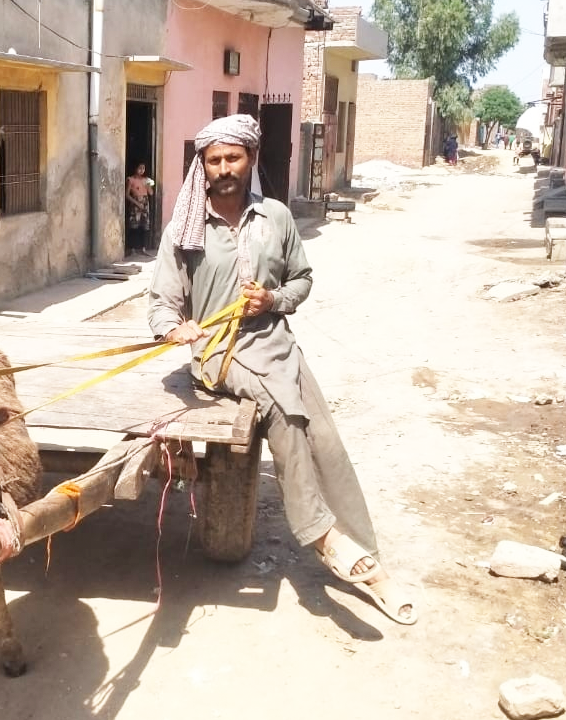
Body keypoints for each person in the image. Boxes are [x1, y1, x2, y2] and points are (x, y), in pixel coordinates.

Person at [148, 114, 416, 625]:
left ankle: (367, 552)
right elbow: (162, 300)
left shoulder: (276, 216)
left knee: (326, 438)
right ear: (202, 167)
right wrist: (174, 329)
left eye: (233, 158)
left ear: (250, 159)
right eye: (213, 160)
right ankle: (324, 538)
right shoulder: (185, 227)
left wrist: (272, 299)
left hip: (275, 342)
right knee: (285, 416)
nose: (224, 168)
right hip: (219, 354)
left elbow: (302, 279)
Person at [125, 161, 155, 255]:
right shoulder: (130, 179)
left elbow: (151, 193)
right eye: (140, 168)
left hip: (145, 204)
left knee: (144, 226)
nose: (142, 170)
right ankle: (132, 249)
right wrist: (137, 203)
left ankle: (143, 248)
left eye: (143, 168)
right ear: (135, 168)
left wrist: (148, 185)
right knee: (134, 226)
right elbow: (127, 195)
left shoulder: (146, 180)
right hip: (135, 203)